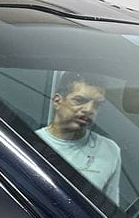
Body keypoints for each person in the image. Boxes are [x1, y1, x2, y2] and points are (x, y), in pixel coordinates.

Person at [34, 72, 122, 204]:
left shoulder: (109, 150)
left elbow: (110, 210)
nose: (89, 109)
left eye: (97, 105)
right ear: (57, 101)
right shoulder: (31, 143)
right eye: (80, 100)